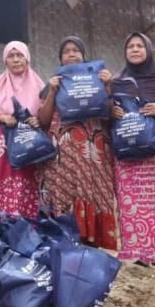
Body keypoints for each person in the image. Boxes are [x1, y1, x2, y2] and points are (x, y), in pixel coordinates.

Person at [37, 36, 118, 249]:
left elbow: (110, 114)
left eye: (76, 50)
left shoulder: (98, 78)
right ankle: (66, 245)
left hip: (92, 152)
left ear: (84, 56)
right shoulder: (53, 84)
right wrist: (52, 91)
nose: (71, 54)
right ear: (60, 58)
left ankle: (91, 245)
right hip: (61, 156)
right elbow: (43, 121)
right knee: (63, 196)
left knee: (92, 194)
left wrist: (107, 86)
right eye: (66, 51)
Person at [110, 32, 155, 265]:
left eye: (140, 46)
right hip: (128, 152)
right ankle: (135, 252)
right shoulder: (117, 82)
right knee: (132, 202)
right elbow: (103, 114)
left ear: (149, 50)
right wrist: (111, 112)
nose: (135, 49)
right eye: (130, 46)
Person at [0, 41, 44, 219]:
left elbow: (47, 115)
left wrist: (38, 120)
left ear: (27, 58)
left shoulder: (39, 85)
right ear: (5, 61)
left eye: (20, 55)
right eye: (11, 56)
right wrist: (2, 117)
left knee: (28, 183)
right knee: (1, 181)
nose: (16, 60)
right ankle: (1, 225)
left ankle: (30, 227)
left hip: (30, 145)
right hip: (3, 146)